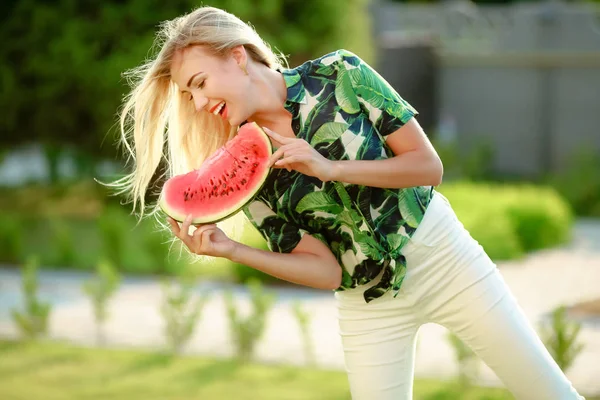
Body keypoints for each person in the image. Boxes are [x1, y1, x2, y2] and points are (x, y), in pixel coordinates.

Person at [112, 6, 585, 400]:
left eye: (198, 82)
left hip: (444, 258)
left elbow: (427, 167)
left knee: (550, 393)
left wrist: (332, 167)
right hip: (367, 302)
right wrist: (231, 251)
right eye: (187, 93)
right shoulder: (250, 171)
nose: (196, 103)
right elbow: (326, 271)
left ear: (236, 56)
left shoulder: (341, 74)